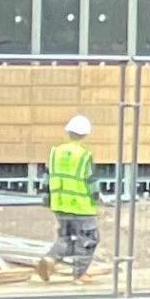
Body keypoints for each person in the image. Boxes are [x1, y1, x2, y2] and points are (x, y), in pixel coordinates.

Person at [45, 114, 101, 282]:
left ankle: (50, 258)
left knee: (65, 237)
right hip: (81, 206)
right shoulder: (84, 155)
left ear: (68, 131)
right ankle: (80, 274)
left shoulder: (55, 153)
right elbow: (91, 181)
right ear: (85, 134)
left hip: (60, 204)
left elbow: (46, 178)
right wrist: (97, 198)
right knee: (89, 239)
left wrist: (48, 198)